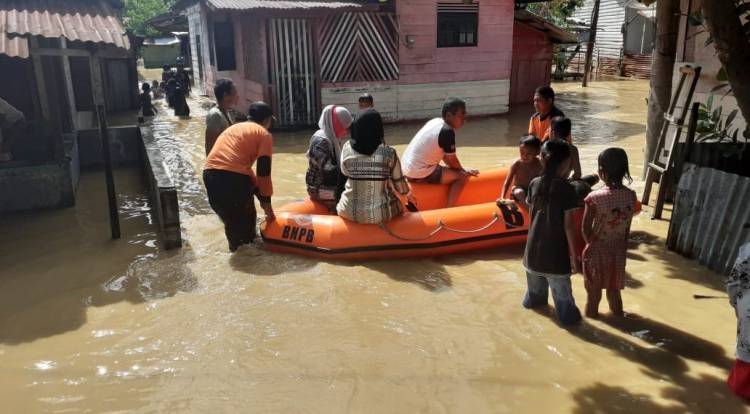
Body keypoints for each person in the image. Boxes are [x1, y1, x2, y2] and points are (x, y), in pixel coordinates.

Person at [522, 139, 582, 326]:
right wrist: (574, 257)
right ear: (566, 163)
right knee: (567, 314)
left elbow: (533, 219)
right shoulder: (568, 189)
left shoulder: (534, 183)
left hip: (532, 254)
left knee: (534, 304)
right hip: (555, 258)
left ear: (542, 160)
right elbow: (568, 227)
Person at [203, 102, 276, 252]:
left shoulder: (234, 129)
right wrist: (267, 205)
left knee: (232, 225)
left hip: (209, 175)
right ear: (267, 120)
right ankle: (251, 262)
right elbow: (264, 172)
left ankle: (237, 257)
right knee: (247, 228)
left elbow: (243, 170)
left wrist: (261, 197)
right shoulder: (263, 134)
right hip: (232, 179)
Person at [581, 147, 637, 318]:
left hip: (596, 252)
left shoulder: (594, 197)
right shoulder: (631, 196)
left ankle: (592, 328)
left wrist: (590, 245)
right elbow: (626, 226)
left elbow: (585, 228)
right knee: (614, 292)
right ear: (625, 170)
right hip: (618, 251)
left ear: (601, 171)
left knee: (593, 295)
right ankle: (619, 319)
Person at [336, 109, 417, 224]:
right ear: (378, 129)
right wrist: (409, 195)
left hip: (348, 212)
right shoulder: (389, 153)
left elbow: (345, 172)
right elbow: (400, 187)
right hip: (382, 215)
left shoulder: (347, 149)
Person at [401, 97, 478, 207]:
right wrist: (463, 171)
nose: (463, 120)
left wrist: (456, 169)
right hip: (418, 173)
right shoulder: (447, 131)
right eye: (461, 116)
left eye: (464, 116)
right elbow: (452, 160)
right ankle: (450, 209)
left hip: (406, 170)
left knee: (453, 170)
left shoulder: (435, 122)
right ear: (448, 115)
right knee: (461, 177)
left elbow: (445, 156)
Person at [305, 105, 353, 211]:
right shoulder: (321, 142)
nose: (347, 131)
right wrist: (350, 171)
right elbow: (327, 171)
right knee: (349, 199)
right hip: (318, 188)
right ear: (336, 124)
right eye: (345, 127)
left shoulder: (333, 137)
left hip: (329, 182)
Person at [727, 242, 750, 399]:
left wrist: (736, 304)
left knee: (746, 352)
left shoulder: (748, 251)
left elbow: (734, 284)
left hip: (748, 310)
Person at [498, 134, 543, 209]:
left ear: (537, 152)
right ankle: (530, 210)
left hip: (532, 190)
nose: (525, 156)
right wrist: (502, 197)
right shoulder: (516, 164)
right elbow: (507, 182)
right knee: (519, 192)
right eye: (522, 153)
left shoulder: (540, 163)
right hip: (519, 191)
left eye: (529, 154)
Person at [205, 79, 239, 155]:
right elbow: (210, 147)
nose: (237, 95)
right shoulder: (215, 115)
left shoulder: (226, 112)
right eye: (234, 92)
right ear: (225, 96)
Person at [0, 97, 28, 162]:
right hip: (8, 124)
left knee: (4, 147)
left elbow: (1, 116)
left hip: (18, 123)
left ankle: (6, 161)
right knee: (4, 147)